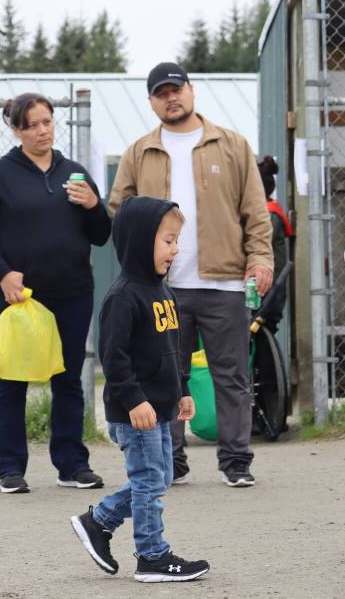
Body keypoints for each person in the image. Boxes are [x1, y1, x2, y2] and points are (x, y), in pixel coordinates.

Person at [109, 62, 273, 487]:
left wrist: (261, 259)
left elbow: (255, 211)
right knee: (163, 374)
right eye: (161, 93)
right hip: (162, 287)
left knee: (232, 375)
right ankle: (172, 463)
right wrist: (136, 266)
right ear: (151, 101)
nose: (171, 97)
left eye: (176, 89)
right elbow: (119, 211)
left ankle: (236, 461)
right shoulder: (139, 152)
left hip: (224, 281)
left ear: (192, 91)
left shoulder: (232, 145)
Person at [0, 93, 110, 494]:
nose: (42, 130)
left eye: (47, 122)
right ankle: (9, 468)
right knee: (13, 378)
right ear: (16, 130)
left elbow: (101, 236)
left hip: (72, 292)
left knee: (68, 377)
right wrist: (3, 273)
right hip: (19, 295)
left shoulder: (75, 173)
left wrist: (94, 205)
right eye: (32, 125)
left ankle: (72, 464)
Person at [70, 196, 209, 582]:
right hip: (136, 412)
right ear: (139, 241)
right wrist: (134, 400)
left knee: (158, 478)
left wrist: (182, 390)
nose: (175, 249)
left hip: (162, 407)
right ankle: (152, 556)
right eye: (168, 241)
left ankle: (98, 521)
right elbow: (113, 358)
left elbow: (173, 350)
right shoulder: (123, 296)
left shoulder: (164, 292)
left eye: (176, 240)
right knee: (151, 482)